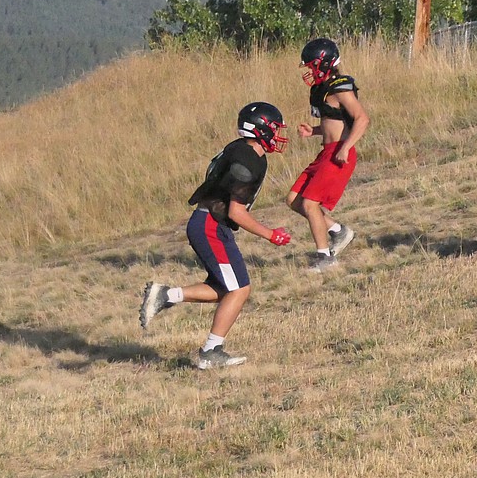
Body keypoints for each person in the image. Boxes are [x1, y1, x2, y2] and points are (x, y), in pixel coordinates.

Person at [140, 101, 292, 369]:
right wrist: (270, 235)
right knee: (239, 289)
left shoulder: (242, 150)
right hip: (210, 226)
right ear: (260, 129)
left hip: (207, 223)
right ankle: (211, 352)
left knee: (225, 289)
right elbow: (236, 212)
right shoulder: (247, 160)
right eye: (273, 128)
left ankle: (166, 295)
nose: (277, 135)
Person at [288, 38, 371, 273]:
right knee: (294, 200)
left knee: (310, 203)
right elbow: (332, 122)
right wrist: (314, 131)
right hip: (326, 152)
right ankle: (338, 231)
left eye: (312, 65)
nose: (309, 71)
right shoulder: (321, 89)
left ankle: (325, 258)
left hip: (339, 153)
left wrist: (346, 147)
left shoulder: (340, 86)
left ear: (324, 63)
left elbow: (362, 118)